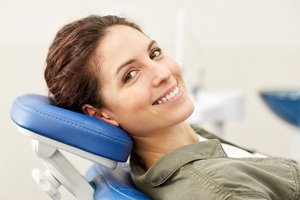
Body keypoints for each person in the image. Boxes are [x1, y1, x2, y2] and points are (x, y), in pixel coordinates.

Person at [45, 15, 300, 199]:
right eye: (131, 75)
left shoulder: (190, 143)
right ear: (101, 114)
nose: (163, 73)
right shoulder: (220, 191)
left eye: (154, 53)